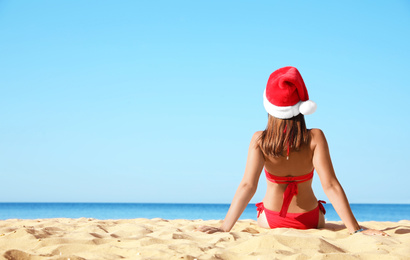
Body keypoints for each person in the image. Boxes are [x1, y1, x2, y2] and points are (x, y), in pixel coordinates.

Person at [196, 66, 388, 236]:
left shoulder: (260, 140)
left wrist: (224, 228)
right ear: (301, 108)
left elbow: (248, 185)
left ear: (269, 107)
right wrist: (356, 229)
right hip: (309, 219)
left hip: (271, 219)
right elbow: (330, 185)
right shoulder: (315, 137)